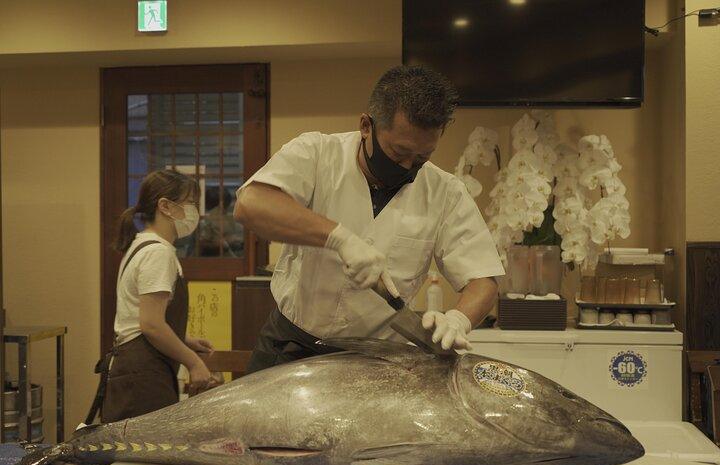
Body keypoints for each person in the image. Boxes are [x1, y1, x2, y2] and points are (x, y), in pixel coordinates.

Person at [233, 65, 505, 374]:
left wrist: (459, 318)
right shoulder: (317, 153)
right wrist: (339, 238)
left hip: (377, 364)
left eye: (421, 158)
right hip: (290, 349)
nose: (407, 166)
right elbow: (251, 204)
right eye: (399, 152)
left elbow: (483, 278)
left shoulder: (446, 192)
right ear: (366, 126)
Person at [97, 169, 215, 423]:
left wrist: (184, 339)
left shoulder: (142, 244)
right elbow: (150, 325)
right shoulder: (158, 253)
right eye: (191, 203)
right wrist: (194, 362)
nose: (194, 211)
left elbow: (141, 317)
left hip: (138, 369)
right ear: (165, 206)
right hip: (142, 375)